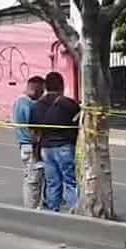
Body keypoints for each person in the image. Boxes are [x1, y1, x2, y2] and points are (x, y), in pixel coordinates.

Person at [31, 71, 80, 212]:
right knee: (70, 181)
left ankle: (53, 210)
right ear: (62, 86)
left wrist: (36, 152)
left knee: (52, 182)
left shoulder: (37, 105)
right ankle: (75, 209)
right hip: (65, 146)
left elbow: (34, 130)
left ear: (45, 86)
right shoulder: (69, 104)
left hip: (46, 148)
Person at [13, 75, 45, 210]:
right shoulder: (29, 105)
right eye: (41, 91)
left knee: (29, 178)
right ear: (35, 89)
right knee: (34, 179)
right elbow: (33, 129)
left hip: (23, 145)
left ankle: (31, 207)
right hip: (31, 146)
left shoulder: (18, 102)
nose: (42, 94)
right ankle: (31, 209)